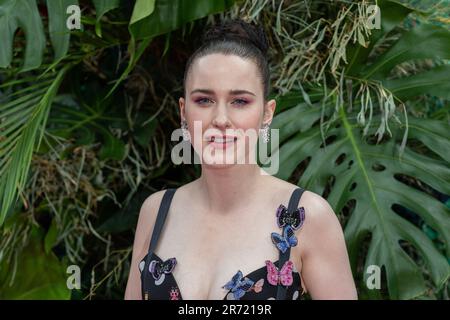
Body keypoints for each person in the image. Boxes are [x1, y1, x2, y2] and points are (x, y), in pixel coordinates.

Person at [125, 18, 357, 300]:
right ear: (183, 112)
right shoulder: (157, 210)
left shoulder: (306, 216)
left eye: (240, 101)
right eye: (204, 100)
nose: (221, 119)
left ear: (267, 113)